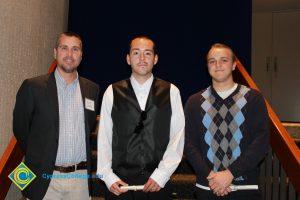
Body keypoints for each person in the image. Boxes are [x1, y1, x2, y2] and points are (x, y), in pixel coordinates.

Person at [13, 31, 99, 200]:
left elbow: (89, 126)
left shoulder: (92, 89)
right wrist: (39, 156)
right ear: (55, 52)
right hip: (45, 178)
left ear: (81, 55)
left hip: (79, 180)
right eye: (64, 48)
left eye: (75, 49)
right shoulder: (33, 87)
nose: (69, 54)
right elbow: (21, 129)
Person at [97, 36, 185, 200]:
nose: (142, 58)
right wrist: (108, 177)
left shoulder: (172, 91)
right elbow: (104, 139)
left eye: (148, 53)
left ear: (155, 59)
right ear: (128, 59)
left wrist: (162, 174)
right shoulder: (112, 91)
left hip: (158, 183)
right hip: (120, 183)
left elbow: (177, 138)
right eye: (136, 53)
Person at [184, 43, 269, 200]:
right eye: (212, 61)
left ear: (234, 65)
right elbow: (188, 144)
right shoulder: (194, 102)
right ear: (207, 66)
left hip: (245, 189)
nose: (217, 65)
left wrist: (230, 174)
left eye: (223, 60)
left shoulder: (253, 98)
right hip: (207, 187)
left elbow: (261, 142)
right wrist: (211, 176)